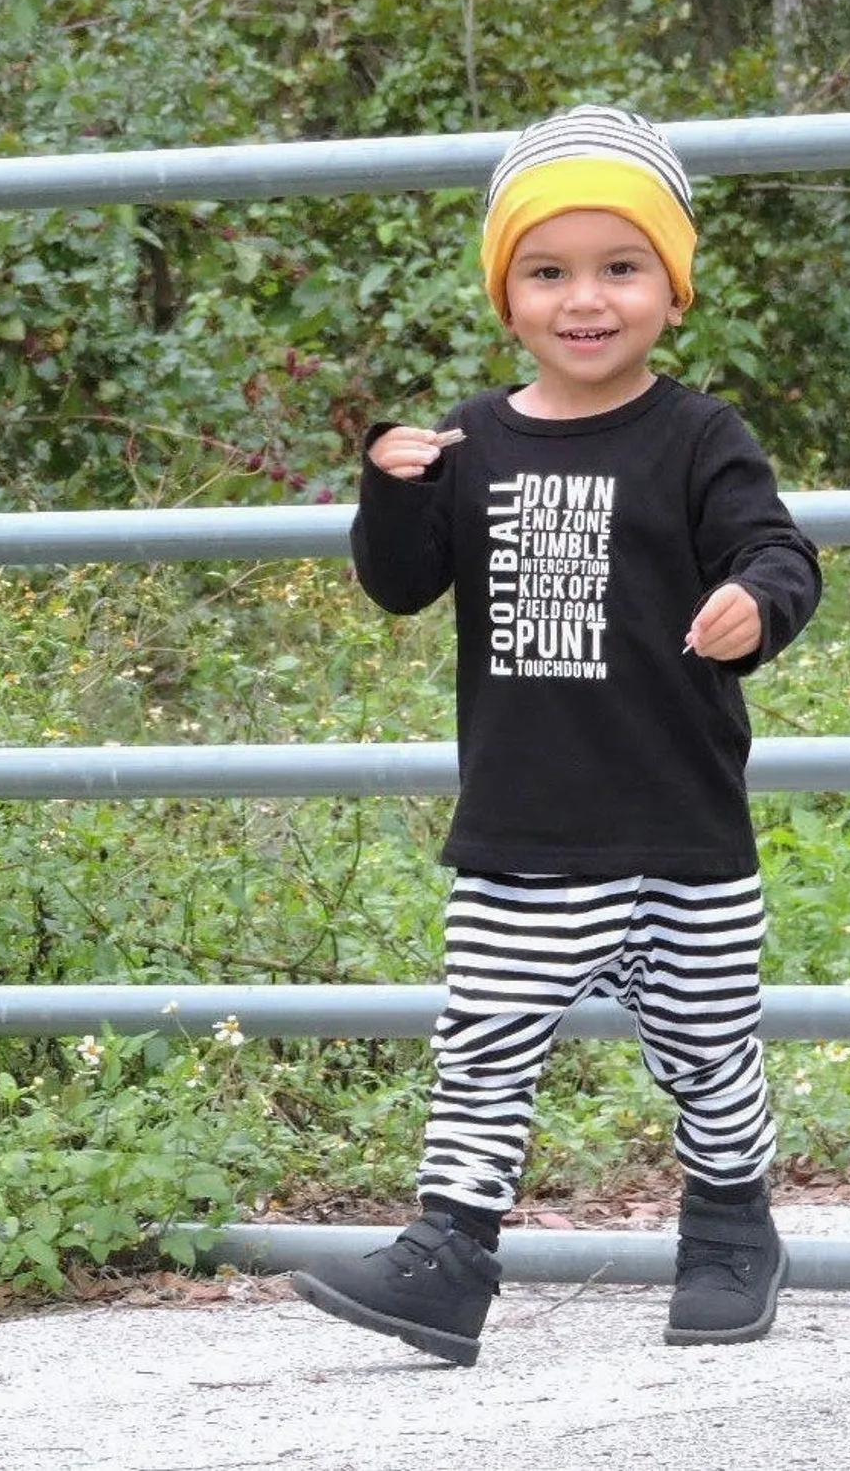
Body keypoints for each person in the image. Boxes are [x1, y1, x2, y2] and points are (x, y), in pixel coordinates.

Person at [291, 104, 822, 1366]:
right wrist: (391, 487)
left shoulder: (699, 436)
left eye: (619, 267)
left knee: (706, 1049)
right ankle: (450, 1256)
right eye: (549, 271)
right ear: (508, 296)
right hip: (527, 823)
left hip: (685, 821)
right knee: (484, 1044)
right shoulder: (471, 441)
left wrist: (756, 603)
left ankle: (734, 1228)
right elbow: (400, 583)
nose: (585, 298)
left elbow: (777, 548)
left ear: (670, 288)